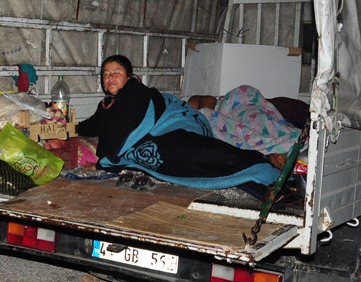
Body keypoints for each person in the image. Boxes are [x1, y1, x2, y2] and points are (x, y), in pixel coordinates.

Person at [76, 54, 281, 196]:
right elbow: (91, 126)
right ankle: (252, 176)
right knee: (179, 161)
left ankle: (260, 164)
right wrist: (67, 128)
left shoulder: (134, 92)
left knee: (193, 152)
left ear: (128, 77)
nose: (110, 77)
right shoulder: (106, 105)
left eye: (116, 72)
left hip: (174, 126)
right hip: (156, 137)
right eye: (106, 74)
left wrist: (103, 163)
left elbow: (121, 131)